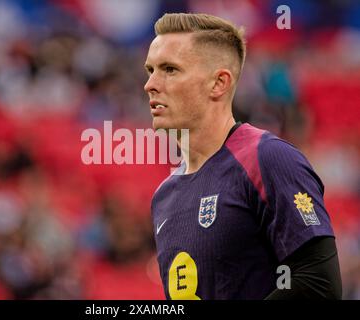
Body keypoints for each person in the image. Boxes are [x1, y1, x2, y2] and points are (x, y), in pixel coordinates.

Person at [144, 13, 342, 300]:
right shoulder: (164, 195)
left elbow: (318, 284)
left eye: (170, 69)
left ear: (219, 83)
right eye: (150, 70)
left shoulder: (267, 158)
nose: (150, 84)